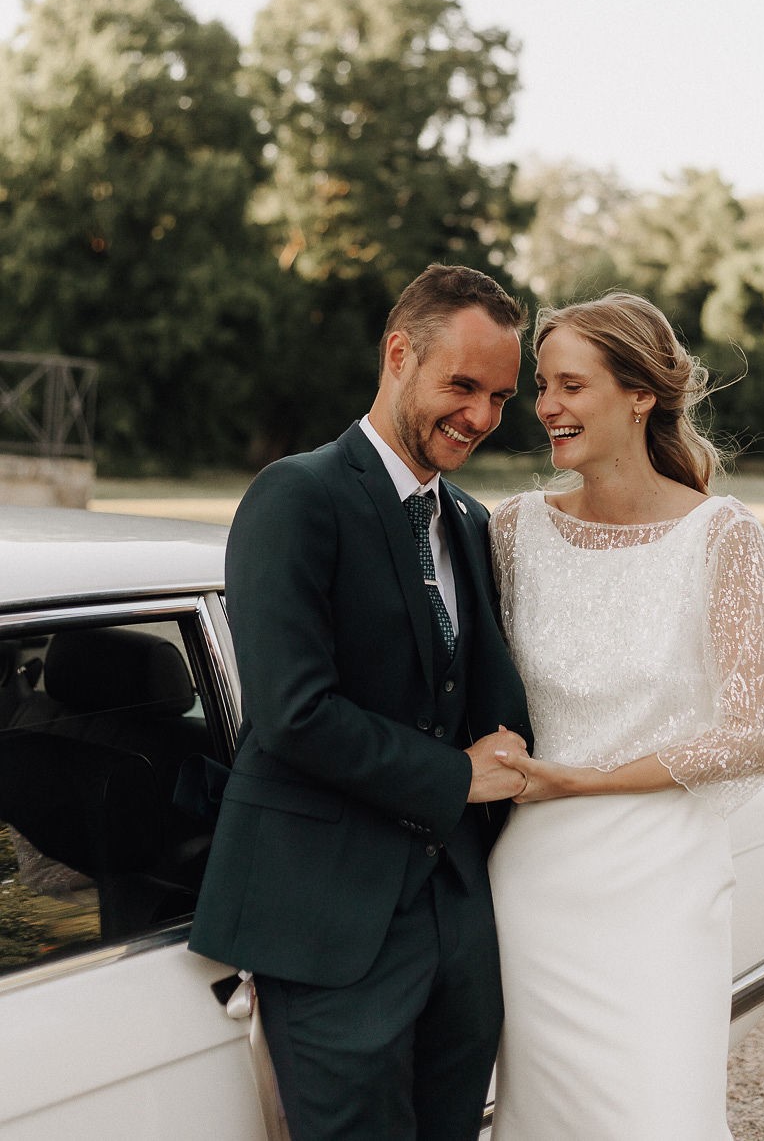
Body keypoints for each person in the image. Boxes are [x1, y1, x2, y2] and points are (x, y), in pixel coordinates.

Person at [189, 264, 533, 1141]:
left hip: (456, 922)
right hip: (328, 923)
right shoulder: (296, 497)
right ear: (398, 354)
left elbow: (488, 701)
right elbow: (294, 712)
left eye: (500, 396)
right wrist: (456, 776)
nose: (483, 418)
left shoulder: (469, 520)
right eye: (463, 385)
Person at [487, 292, 764, 1141]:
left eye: (571, 386)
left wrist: (591, 778)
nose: (547, 407)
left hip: (663, 888)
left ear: (640, 394)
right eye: (542, 387)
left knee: (662, 1117)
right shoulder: (514, 532)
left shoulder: (722, 535)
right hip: (537, 887)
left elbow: (754, 733)